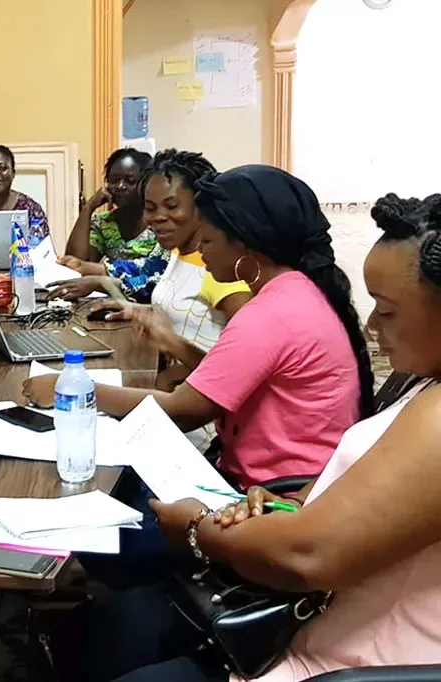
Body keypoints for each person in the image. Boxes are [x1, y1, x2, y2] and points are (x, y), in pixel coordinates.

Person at [85, 192, 441, 682]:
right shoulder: (423, 382)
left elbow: (306, 555)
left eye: (388, 310)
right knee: (120, 629)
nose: (374, 325)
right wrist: (287, 502)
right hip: (315, 612)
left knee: (114, 561)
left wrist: (196, 530)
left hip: (341, 655)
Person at [25, 165, 373, 491]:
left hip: (268, 495)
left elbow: (183, 410)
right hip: (275, 475)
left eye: (207, 242)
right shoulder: (295, 291)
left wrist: (72, 388)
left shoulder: (270, 314)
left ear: (243, 244)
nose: (202, 254)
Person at [89, 150, 251, 383]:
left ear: (201, 205)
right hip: (172, 389)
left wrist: (170, 342)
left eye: (172, 206)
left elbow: (245, 368)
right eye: (151, 207)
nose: (158, 217)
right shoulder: (178, 251)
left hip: (203, 410)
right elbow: (188, 313)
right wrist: (136, 310)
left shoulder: (221, 270)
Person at [58, 148, 168, 301]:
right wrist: (89, 207)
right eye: (114, 180)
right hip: (115, 301)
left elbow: (151, 273)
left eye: (130, 181)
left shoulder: (162, 225)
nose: (121, 186)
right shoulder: (105, 223)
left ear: (146, 185)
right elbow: (74, 262)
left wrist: (94, 274)